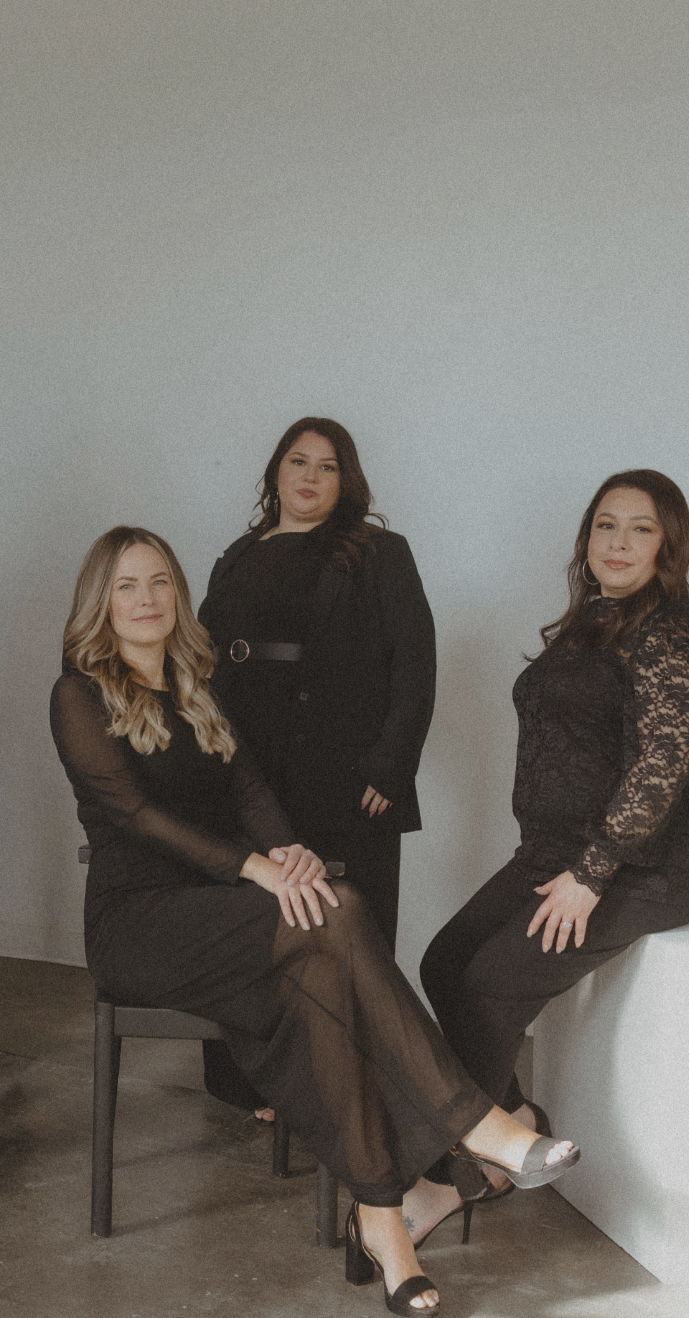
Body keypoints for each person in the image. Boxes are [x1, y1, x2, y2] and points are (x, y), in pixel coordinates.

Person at [51, 526, 578, 1316]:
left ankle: (383, 1225)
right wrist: (254, 868)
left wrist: (289, 852)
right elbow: (133, 813)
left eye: (160, 581)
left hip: (223, 913)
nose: (147, 599)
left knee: (328, 958)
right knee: (339, 918)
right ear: (100, 601)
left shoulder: (197, 684)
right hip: (140, 924)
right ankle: (477, 1124)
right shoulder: (78, 693)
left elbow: (251, 790)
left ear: (178, 595)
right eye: (127, 585)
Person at [401, 470, 689, 1241]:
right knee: (445, 964)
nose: (617, 543)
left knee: (489, 985)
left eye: (640, 529)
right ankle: (514, 1117)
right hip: (555, 850)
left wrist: (592, 873)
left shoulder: (678, 633)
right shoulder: (596, 622)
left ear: (669, 544)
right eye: (604, 526)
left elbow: (663, 764)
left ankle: (450, 1180)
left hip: (645, 865)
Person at [197, 417, 435, 1115]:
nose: (309, 477)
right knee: (256, 925)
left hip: (345, 774)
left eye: (327, 467)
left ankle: (353, 1084)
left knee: (348, 930)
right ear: (275, 472)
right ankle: (255, 1082)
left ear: (346, 481)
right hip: (247, 765)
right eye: (297, 462)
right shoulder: (236, 556)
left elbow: (414, 665)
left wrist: (391, 768)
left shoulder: (378, 553)